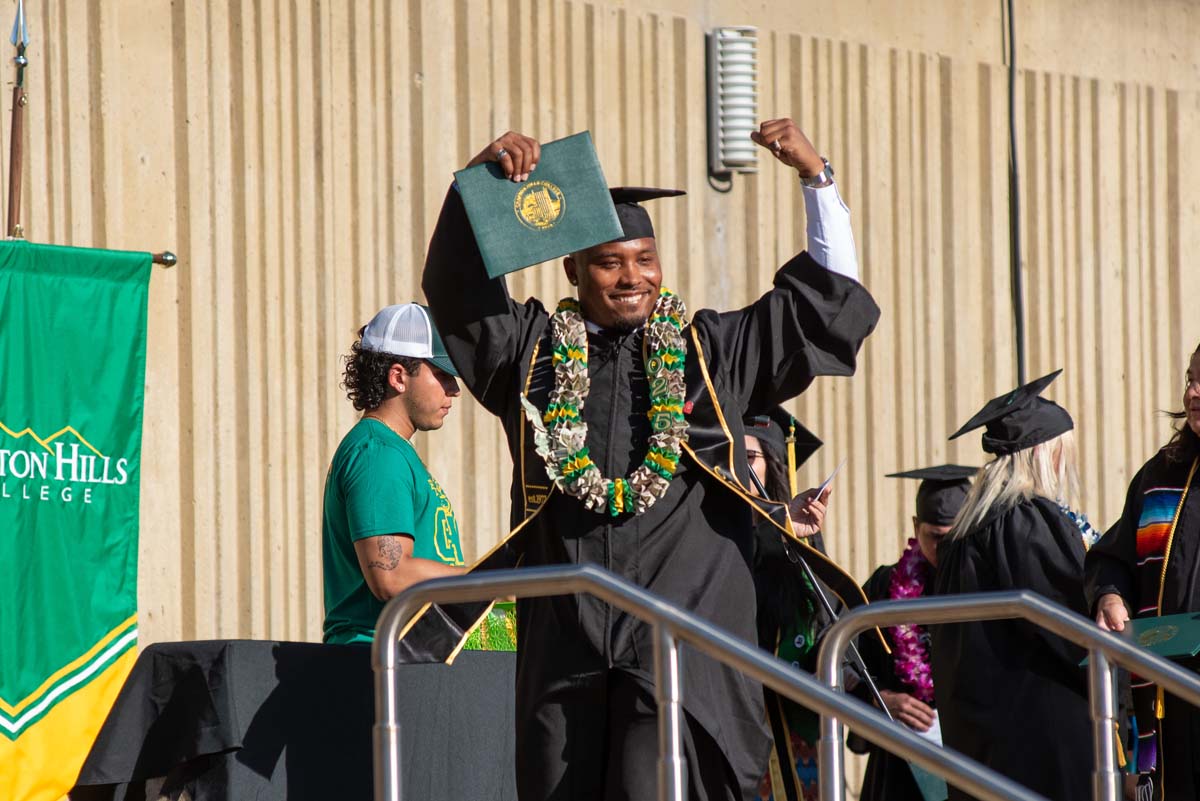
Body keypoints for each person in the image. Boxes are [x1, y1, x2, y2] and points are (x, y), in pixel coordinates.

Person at [420, 119, 880, 800]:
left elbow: (821, 306)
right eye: (611, 261)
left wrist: (818, 179)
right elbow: (459, 292)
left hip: (680, 653)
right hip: (566, 648)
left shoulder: (707, 359)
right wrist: (477, 187)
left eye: (645, 258)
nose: (633, 276)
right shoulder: (535, 356)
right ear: (573, 268)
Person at [930, 370, 1094, 801]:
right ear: (1044, 455)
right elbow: (1074, 626)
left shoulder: (965, 534)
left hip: (982, 738)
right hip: (1039, 738)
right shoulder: (1027, 521)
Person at [1086, 340, 1200, 800]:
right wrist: (1110, 596)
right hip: (1170, 700)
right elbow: (1113, 557)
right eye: (1191, 379)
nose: (1193, 392)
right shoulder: (1161, 476)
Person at [321, 303, 468, 644]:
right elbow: (391, 574)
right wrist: (492, 586)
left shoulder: (389, 451)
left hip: (403, 660)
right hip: (377, 664)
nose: (455, 390)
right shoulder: (378, 455)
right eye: (443, 375)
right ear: (399, 376)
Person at [851, 464, 975, 801]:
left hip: (977, 759)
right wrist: (881, 700)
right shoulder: (884, 587)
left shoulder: (991, 590)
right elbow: (843, 660)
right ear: (916, 528)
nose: (944, 550)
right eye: (935, 537)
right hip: (901, 764)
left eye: (954, 537)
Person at [744, 409, 829, 801]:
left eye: (751, 458)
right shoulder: (711, 527)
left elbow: (828, 615)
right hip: (741, 704)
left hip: (795, 714)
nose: (741, 469)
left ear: (775, 465)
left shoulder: (800, 532)